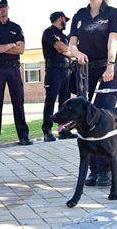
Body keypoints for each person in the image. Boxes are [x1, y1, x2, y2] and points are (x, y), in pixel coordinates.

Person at [68, 0, 117, 187]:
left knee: (103, 119)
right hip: (86, 74)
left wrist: (110, 65)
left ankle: (107, 170)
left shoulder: (112, 13)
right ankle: (93, 170)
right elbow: (71, 44)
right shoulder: (80, 15)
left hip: (106, 71)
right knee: (85, 121)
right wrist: (76, 53)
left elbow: (113, 41)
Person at [0, 0, 33, 146]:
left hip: (13, 69)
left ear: (8, 7)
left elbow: (21, 49)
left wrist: (3, 48)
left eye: (4, 6)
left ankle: (23, 136)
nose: (2, 9)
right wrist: (11, 45)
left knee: (18, 102)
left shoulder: (16, 27)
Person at [41, 11, 77, 142]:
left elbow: (66, 49)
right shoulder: (49, 32)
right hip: (53, 70)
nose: (66, 22)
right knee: (50, 101)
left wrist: (69, 52)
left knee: (65, 103)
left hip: (66, 71)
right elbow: (60, 48)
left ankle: (63, 130)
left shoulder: (64, 36)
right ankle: (47, 131)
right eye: (65, 20)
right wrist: (71, 52)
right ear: (60, 18)